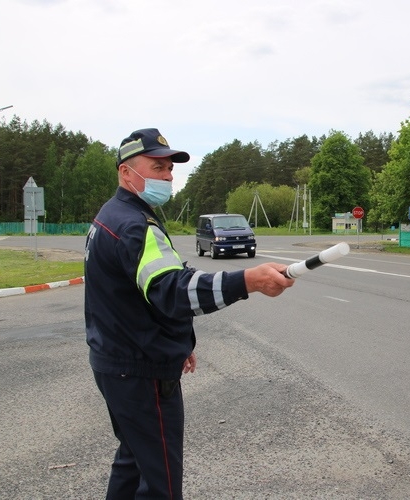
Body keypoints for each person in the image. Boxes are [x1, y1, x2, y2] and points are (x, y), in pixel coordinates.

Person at [84, 128, 294, 499]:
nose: (167, 176)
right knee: (161, 482)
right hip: (140, 371)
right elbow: (172, 290)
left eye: (169, 168)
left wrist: (175, 338)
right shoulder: (135, 226)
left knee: (133, 461)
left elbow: (135, 294)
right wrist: (247, 280)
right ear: (125, 172)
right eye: (157, 166)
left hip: (116, 361)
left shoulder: (110, 215)